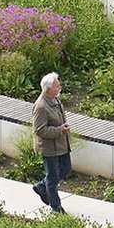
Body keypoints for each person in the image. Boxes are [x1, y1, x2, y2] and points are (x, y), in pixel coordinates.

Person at [31, 72, 71, 213]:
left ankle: (42, 186)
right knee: (53, 177)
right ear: (47, 89)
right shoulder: (41, 106)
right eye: (56, 86)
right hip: (49, 148)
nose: (59, 87)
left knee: (65, 169)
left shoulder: (55, 100)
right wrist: (59, 130)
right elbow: (40, 130)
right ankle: (56, 207)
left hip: (61, 145)